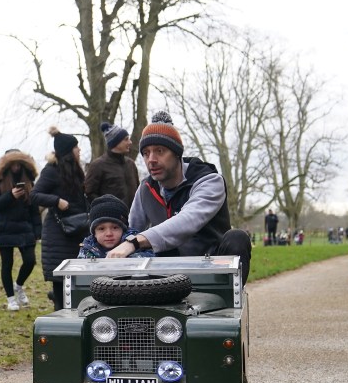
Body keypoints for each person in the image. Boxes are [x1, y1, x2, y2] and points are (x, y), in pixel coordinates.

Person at [107, 111, 252, 284]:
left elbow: (188, 220)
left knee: (237, 238)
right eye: (146, 153)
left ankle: (229, 300)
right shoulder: (145, 189)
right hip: (166, 274)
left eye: (159, 151)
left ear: (177, 153)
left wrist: (134, 242)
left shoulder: (209, 181)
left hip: (211, 266)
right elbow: (132, 230)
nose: (151, 160)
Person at [31, 127, 89, 310]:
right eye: (76, 147)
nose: (79, 150)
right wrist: (56, 201)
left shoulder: (77, 172)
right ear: (68, 151)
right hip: (58, 235)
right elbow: (34, 195)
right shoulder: (51, 171)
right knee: (60, 281)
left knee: (75, 283)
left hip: (77, 232)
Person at [0, 149, 42, 310]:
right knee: (7, 264)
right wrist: (10, 195)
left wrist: (37, 232)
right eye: (13, 163)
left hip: (25, 228)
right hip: (4, 228)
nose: (16, 166)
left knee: (30, 261)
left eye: (19, 162)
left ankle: (18, 285)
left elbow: (34, 209)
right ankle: (11, 298)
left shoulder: (29, 180)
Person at [78, 194, 154, 259]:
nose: (109, 233)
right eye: (101, 229)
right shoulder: (87, 248)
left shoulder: (137, 244)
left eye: (115, 228)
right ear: (94, 233)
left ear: (124, 229)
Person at [84, 121, 140, 207]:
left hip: (134, 218)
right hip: (111, 218)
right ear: (115, 142)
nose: (130, 142)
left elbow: (138, 190)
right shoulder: (98, 165)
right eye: (126, 139)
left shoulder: (131, 164)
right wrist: (106, 208)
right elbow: (89, 193)